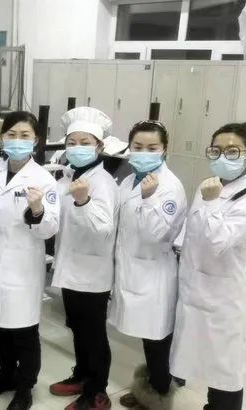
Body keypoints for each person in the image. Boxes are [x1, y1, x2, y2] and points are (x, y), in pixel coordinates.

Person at [170, 122, 246, 410]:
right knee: (200, 359)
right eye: (216, 150)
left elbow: (217, 242)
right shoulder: (210, 186)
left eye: (232, 152)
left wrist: (211, 204)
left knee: (224, 370)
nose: (222, 157)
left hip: (221, 298)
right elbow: (192, 229)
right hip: (194, 287)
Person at [0, 111, 60, 410]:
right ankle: (6, 375)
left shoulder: (43, 180)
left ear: (36, 140)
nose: (17, 141)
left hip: (23, 265)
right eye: (11, 134)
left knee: (24, 331)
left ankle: (25, 387)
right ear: (2, 138)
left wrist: (37, 210)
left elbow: (50, 229)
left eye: (25, 135)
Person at [108, 120, 187, 410]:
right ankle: (151, 387)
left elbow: (156, 234)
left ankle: (160, 393)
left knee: (158, 340)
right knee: (148, 337)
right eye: (138, 147)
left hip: (155, 275)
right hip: (131, 270)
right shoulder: (129, 179)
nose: (144, 153)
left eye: (152, 148)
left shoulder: (170, 186)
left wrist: (149, 198)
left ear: (164, 149)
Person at [49, 108, 119, 410]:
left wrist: (84, 202)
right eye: (72, 142)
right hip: (71, 268)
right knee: (77, 328)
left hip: (92, 273)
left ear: (99, 146)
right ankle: (81, 375)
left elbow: (103, 229)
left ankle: (97, 392)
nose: (77, 148)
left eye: (85, 142)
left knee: (94, 334)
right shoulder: (70, 175)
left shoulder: (103, 182)